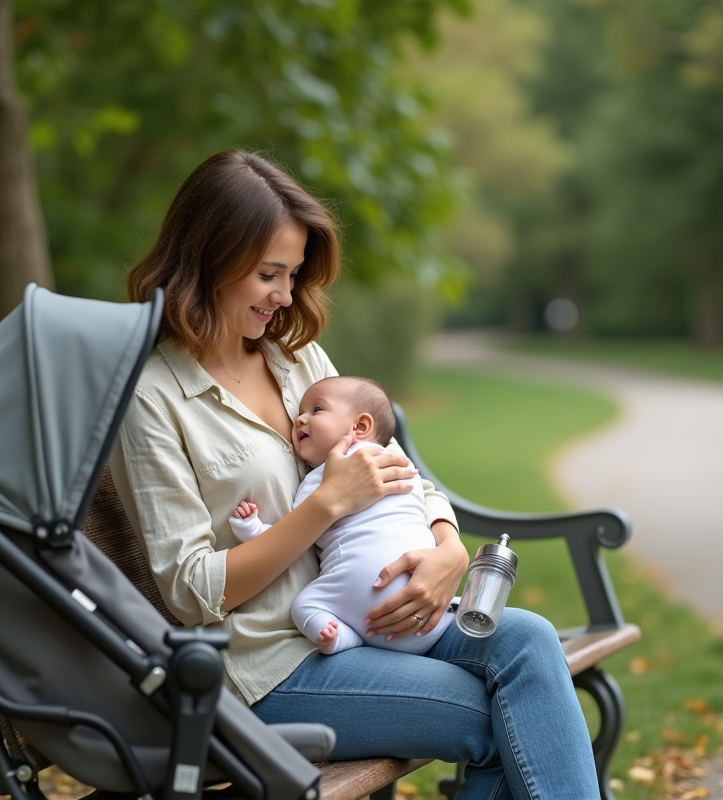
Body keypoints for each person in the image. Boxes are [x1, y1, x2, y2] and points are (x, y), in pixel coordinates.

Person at [110, 149, 600, 800]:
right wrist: (323, 506)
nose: (286, 296)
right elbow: (191, 591)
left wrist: (447, 550)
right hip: (265, 668)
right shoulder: (151, 395)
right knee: (501, 718)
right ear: (211, 259)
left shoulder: (295, 358)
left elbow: (394, 472)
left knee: (529, 640)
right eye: (270, 275)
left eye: (292, 276)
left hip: (377, 623)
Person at [228, 375, 455, 655]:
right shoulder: (399, 464)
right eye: (300, 413)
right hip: (432, 615)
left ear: (360, 426)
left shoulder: (318, 481)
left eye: (317, 410)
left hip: (387, 607)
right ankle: (349, 640)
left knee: (305, 607)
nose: (300, 419)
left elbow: (294, 535)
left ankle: (342, 637)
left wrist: (251, 529)